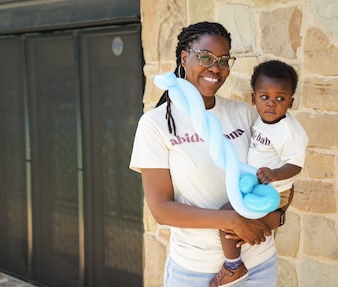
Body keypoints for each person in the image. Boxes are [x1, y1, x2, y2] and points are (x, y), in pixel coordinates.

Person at [129, 21, 285, 287]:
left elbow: (276, 179)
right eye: (205, 57)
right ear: (184, 57)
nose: (216, 68)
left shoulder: (244, 115)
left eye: (224, 61)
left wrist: (276, 216)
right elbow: (161, 210)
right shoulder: (156, 124)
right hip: (196, 271)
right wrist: (232, 221)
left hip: (259, 263)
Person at [213, 60, 309, 287]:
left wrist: (275, 174)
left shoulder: (290, 131)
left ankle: (233, 267)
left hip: (274, 191)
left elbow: (296, 165)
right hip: (259, 184)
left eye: (280, 98)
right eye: (265, 97)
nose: (271, 104)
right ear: (253, 98)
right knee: (237, 221)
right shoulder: (259, 119)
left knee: (226, 216)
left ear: (291, 102)